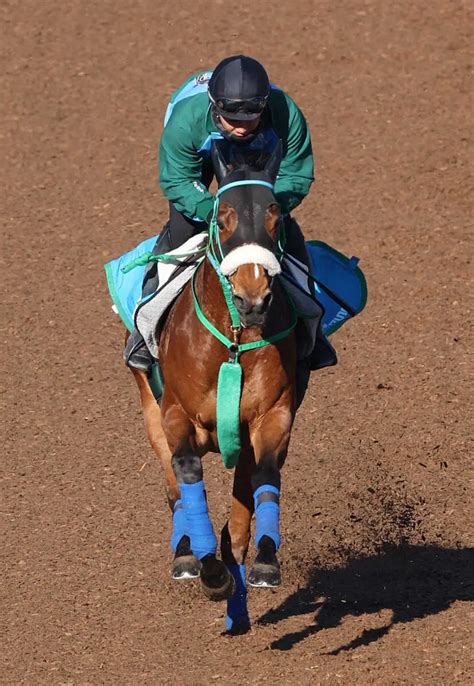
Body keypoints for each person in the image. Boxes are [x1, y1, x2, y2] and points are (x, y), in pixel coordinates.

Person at [125, 54, 335, 381]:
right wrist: (214, 212)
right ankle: (146, 331)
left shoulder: (286, 113)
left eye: (250, 119)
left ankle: (313, 332)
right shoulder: (187, 122)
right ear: (213, 107)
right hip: (201, 166)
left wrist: (266, 207)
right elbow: (177, 181)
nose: (240, 127)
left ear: (264, 108)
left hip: (261, 168)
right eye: (231, 119)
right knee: (177, 243)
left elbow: (297, 174)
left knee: (292, 246)